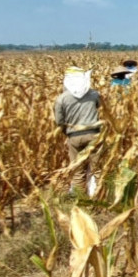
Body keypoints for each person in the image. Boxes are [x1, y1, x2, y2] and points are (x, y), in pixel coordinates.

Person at [54, 67, 102, 196]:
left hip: (74, 137)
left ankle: (79, 199)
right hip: (94, 135)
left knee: (78, 170)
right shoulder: (94, 94)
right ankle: (98, 197)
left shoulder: (61, 99)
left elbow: (59, 121)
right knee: (97, 169)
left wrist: (67, 133)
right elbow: (101, 109)